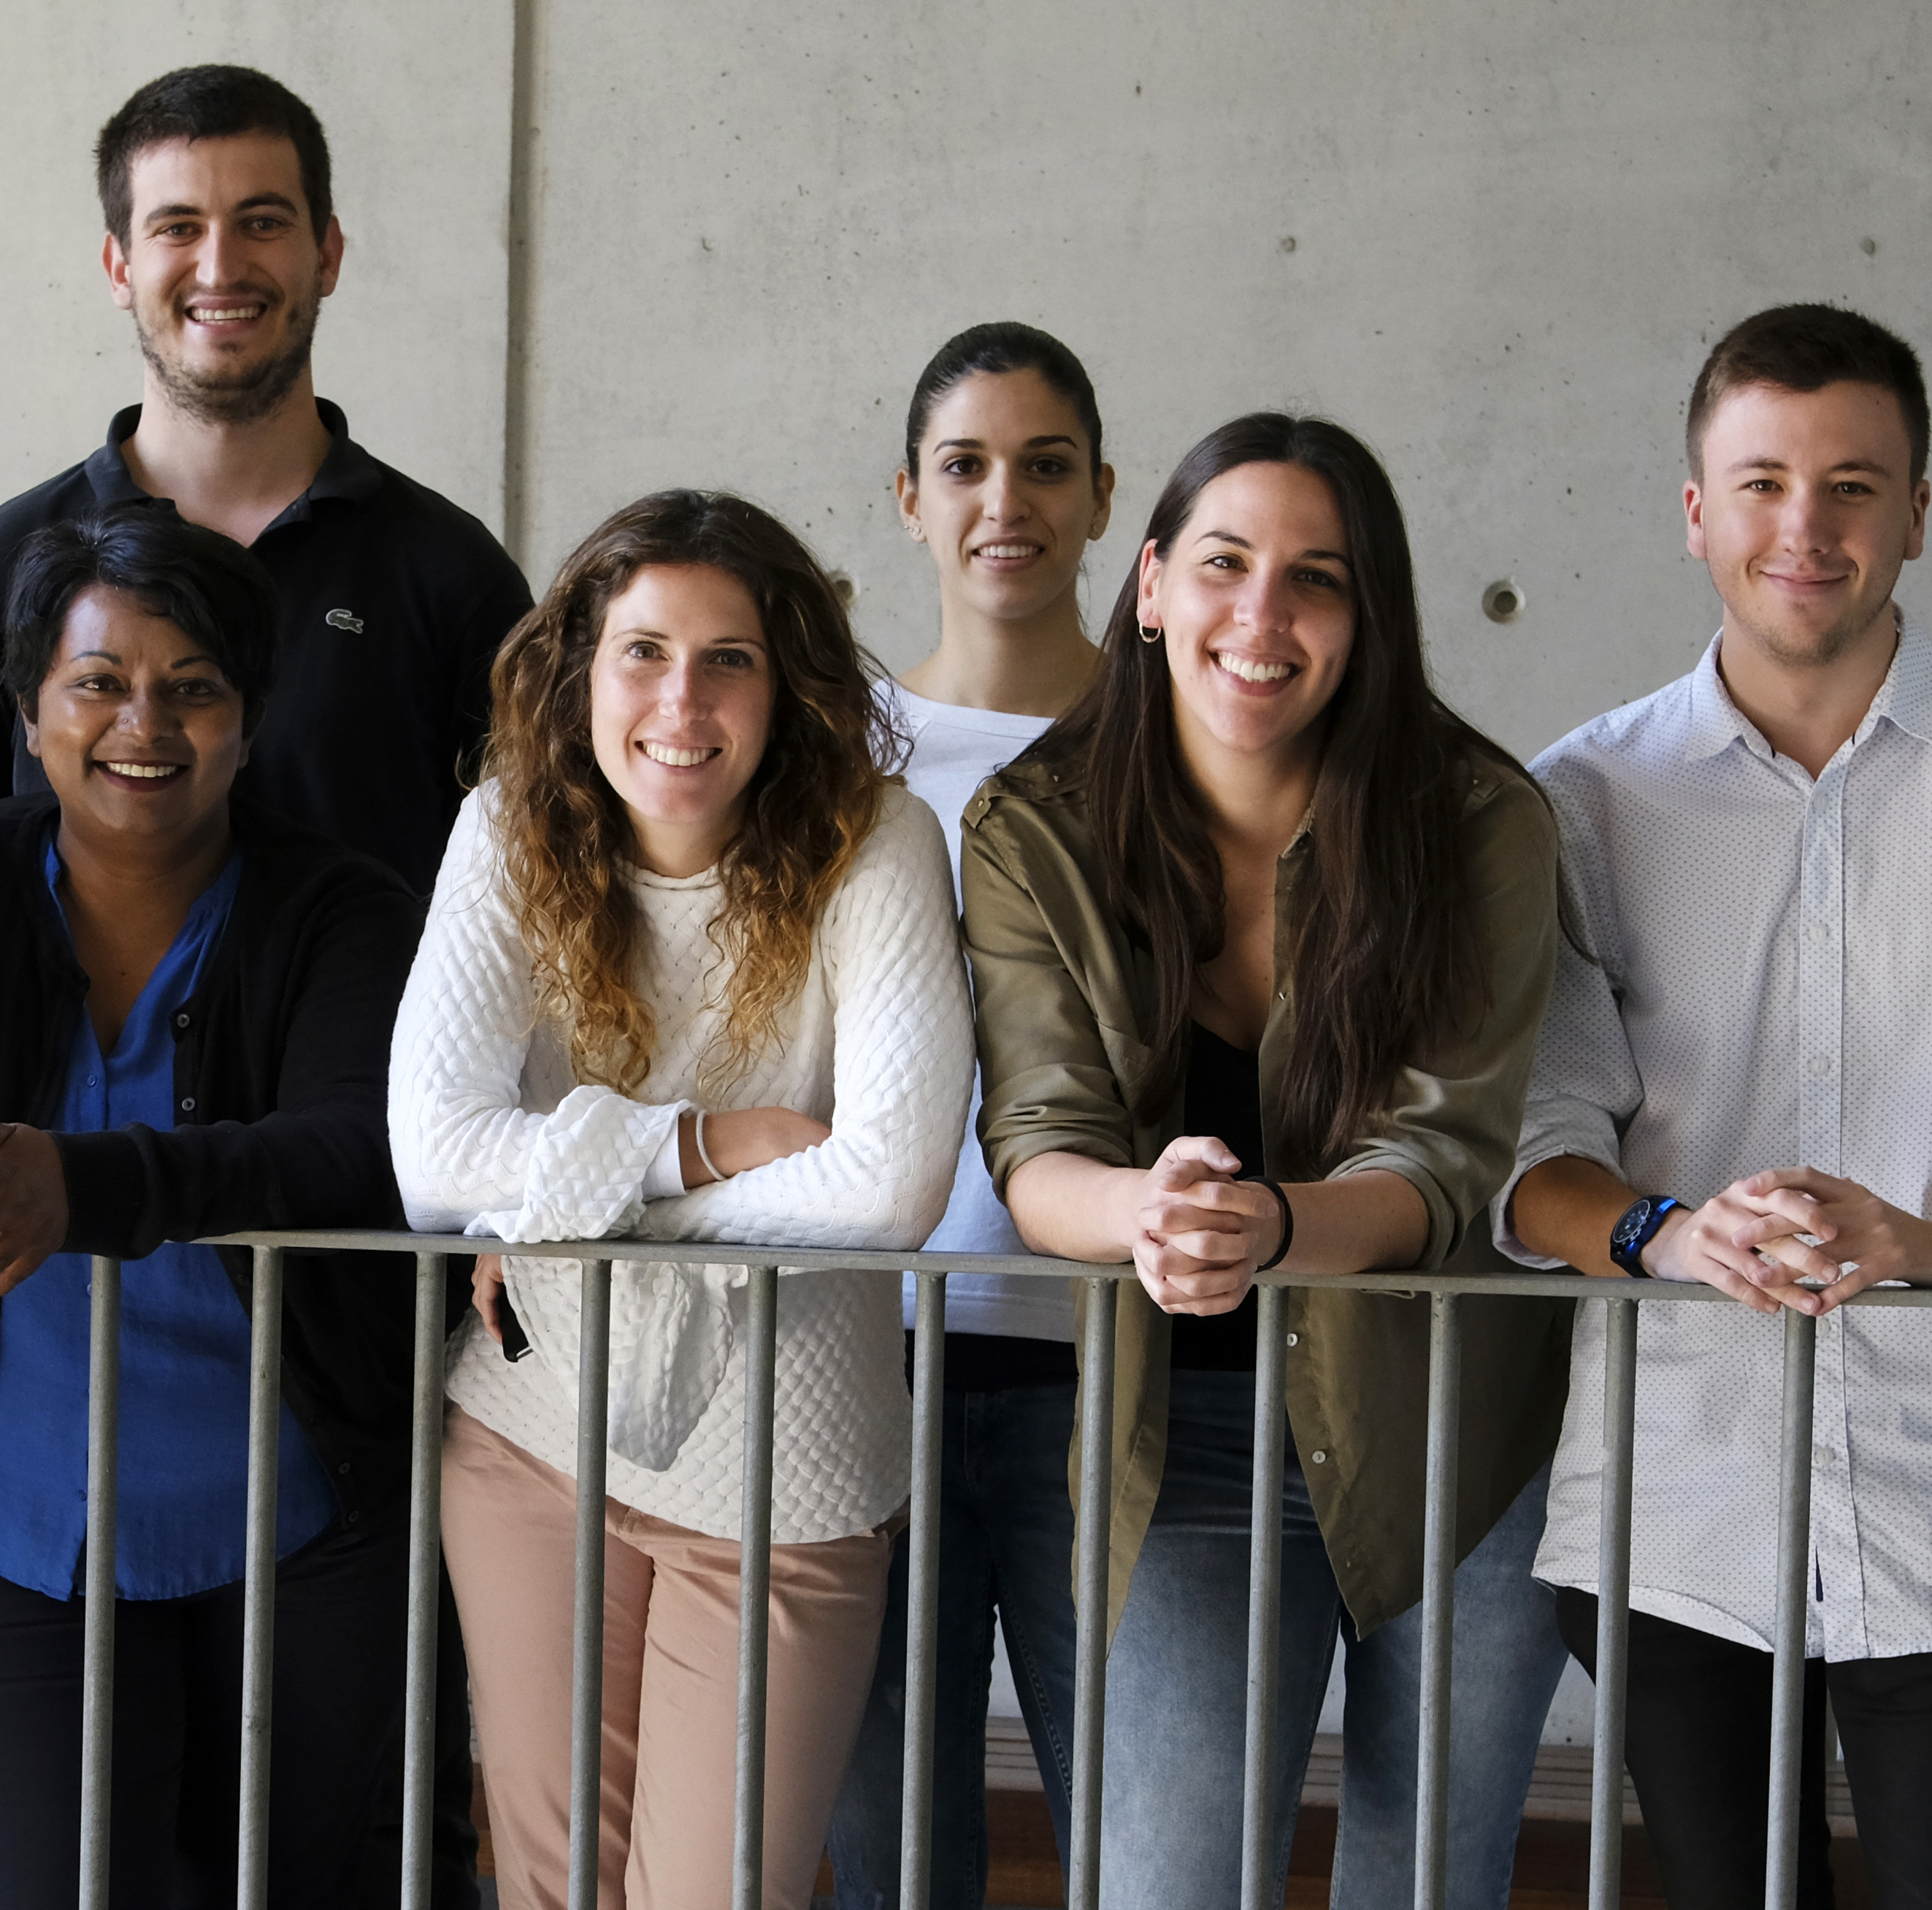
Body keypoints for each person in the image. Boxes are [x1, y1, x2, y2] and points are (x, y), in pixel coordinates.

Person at [1500, 304, 1932, 1910]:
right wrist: (1671, 1235)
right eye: (1759, 484)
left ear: (1920, 511)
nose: (1803, 528)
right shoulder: (1581, 797)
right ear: (1695, 513)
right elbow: (1534, 1146)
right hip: (1675, 1490)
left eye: (1853, 486)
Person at [0, 505, 426, 1905]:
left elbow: (358, 1146)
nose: (146, 724)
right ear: (25, 707)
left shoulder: (339, 907)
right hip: (16, 1528)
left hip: (296, 1529)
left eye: (194, 688)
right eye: (99, 683)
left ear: (249, 718)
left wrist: (84, 1181)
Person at [960, 413, 1571, 1909]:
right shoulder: (1032, 824)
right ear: (1153, 583)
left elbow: (1444, 1161)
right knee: (1164, 1883)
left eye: (1319, 579)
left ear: (1370, 621)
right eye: (1226, 564)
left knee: (1427, 1882)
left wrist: (1264, 1226)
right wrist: (1154, 1218)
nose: (1263, 615)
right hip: (1184, 1450)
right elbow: (1039, 1142)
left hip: (1454, 1437)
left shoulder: (1481, 820)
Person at [391, 488, 964, 1909]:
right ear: (582, 670)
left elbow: (891, 1185)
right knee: (544, 1889)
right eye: (643, 651)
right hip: (530, 1437)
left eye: (730, 659)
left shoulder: (873, 842)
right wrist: (712, 1148)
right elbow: (432, 1157)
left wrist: (569, 1203)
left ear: (790, 689)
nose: (680, 700)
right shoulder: (510, 827)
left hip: (789, 1467)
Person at [0, 63, 533, 897]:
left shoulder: (451, 574)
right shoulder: (5, 563)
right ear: (119, 267)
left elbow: (542, 889)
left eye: (261, 221)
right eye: (178, 227)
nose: (220, 268)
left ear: (325, 254)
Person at [819, 320, 1114, 1910]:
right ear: (912, 501)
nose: (1009, 499)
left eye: (1046, 464)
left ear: (1103, 497)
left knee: (1138, 1847)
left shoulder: (1179, 735)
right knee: (887, 1857)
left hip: (1115, 1374)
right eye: (967, 465)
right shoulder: (837, 760)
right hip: (877, 1362)